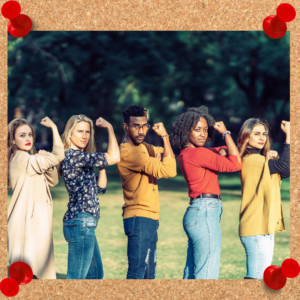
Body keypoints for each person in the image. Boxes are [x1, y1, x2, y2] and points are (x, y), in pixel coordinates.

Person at [170, 106, 242, 279]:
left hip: (197, 212)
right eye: (197, 130)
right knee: (207, 274)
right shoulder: (198, 154)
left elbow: (221, 151)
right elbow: (235, 163)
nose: (202, 134)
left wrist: (221, 150)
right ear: (186, 131)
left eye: (205, 130)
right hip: (205, 212)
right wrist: (225, 133)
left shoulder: (186, 153)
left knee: (192, 274)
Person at [117, 105, 177, 279]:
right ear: (125, 127)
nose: (141, 130)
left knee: (148, 275)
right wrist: (165, 137)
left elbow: (168, 155)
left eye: (144, 125)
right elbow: (169, 170)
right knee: (137, 274)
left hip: (149, 218)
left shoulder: (144, 148)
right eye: (136, 126)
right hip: (139, 218)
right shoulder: (130, 153)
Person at [59, 114, 120, 279]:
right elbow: (115, 157)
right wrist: (110, 128)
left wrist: (101, 166)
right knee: (76, 279)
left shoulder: (84, 159)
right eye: (79, 131)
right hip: (81, 222)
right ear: (69, 133)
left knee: (95, 276)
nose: (84, 136)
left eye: (87, 132)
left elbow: (101, 188)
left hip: (85, 223)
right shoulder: (73, 155)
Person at [8, 117, 65, 279]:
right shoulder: (22, 159)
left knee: (34, 273)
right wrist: (53, 127)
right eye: (22, 135)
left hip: (36, 220)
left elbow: (53, 181)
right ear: (12, 140)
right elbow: (59, 154)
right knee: (29, 274)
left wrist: (45, 160)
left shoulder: (32, 160)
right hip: (26, 222)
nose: (27, 139)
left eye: (30, 135)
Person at [237, 118, 290, 279]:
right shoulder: (251, 160)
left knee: (261, 278)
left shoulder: (263, 161)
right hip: (255, 228)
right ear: (246, 137)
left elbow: (286, 172)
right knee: (256, 279)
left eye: (264, 134)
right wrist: (289, 136)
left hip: (263, 228)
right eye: (257, 134)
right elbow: (285, 167)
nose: (262, 138)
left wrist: (274, 157)